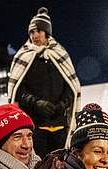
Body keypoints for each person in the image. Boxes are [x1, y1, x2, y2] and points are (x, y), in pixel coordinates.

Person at [8, 7, 81, 158]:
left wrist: (62, 103)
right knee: (38, 165)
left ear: (47, 33)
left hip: (59, 124)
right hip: (35, 125)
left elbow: (71, 87)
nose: (35, 35)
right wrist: (36, 103)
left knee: (59, 165)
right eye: (32, 32)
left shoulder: (60, 54)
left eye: (39, 31)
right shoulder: (24, 56)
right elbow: (17, 90)